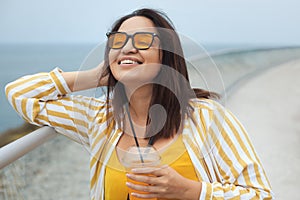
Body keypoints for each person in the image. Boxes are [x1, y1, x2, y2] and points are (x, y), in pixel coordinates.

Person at [5, 8, 273, 200]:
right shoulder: (98, 119)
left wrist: (191, 192)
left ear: (166, 56)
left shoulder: (207, 118)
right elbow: (20, 94)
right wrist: (94, 76)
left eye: (143, 40)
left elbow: (260, 194)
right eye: (118, 42)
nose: (127, 48)